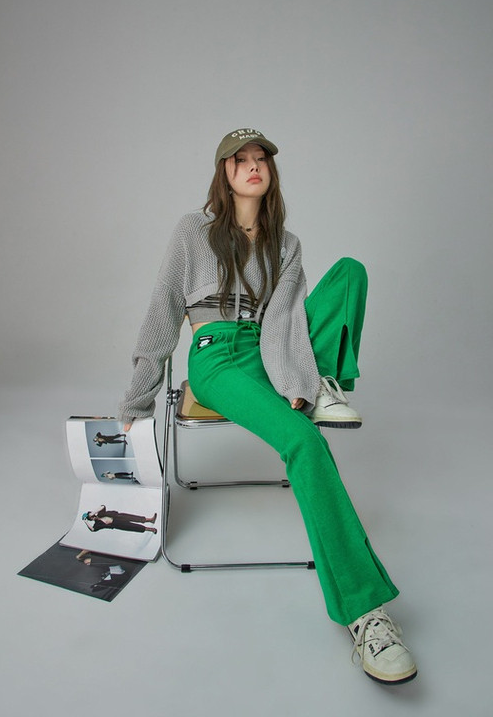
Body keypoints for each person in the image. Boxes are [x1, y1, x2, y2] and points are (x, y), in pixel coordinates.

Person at [118, 128, 417, 686]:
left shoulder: (287, 244)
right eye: (241, 160)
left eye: (261, 159)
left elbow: (282, 321)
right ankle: (365, 612)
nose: (254, 166)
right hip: (218, 358)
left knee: (349, 271)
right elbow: (162, 310)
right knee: (305, 441)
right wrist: (137, 399)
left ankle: (320, 384)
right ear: (224, 172)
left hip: (273, 347)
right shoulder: (193, 231)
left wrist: (291, 378)